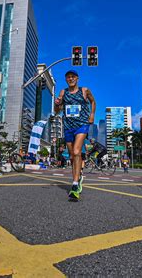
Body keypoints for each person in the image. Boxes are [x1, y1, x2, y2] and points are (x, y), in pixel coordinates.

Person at [54, 70, 96, 200]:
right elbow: (57, 111)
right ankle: (78, 177)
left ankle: (75, 185)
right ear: (66, 79)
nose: (70, 79)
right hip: (68, 126)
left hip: (82, 125)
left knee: (77, 151)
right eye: (68, 77)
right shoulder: (63, 92)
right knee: (73, 156)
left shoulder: (84, 90)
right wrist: (57, 104)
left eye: (72, 77)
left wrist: (92, 115)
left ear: (77, 78)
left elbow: (93, 102)